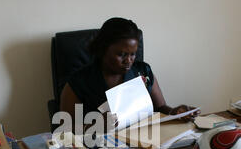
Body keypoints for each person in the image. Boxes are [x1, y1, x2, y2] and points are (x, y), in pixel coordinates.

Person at [59, 17, 200, 131]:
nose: (128, 61)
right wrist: (93, 126)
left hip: (143, 142)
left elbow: (160, 108)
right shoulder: (79, 81)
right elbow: (63, 129)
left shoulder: (143, 71)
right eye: (121, 55)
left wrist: (176, 113)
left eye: (133, 54)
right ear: (103, 49)